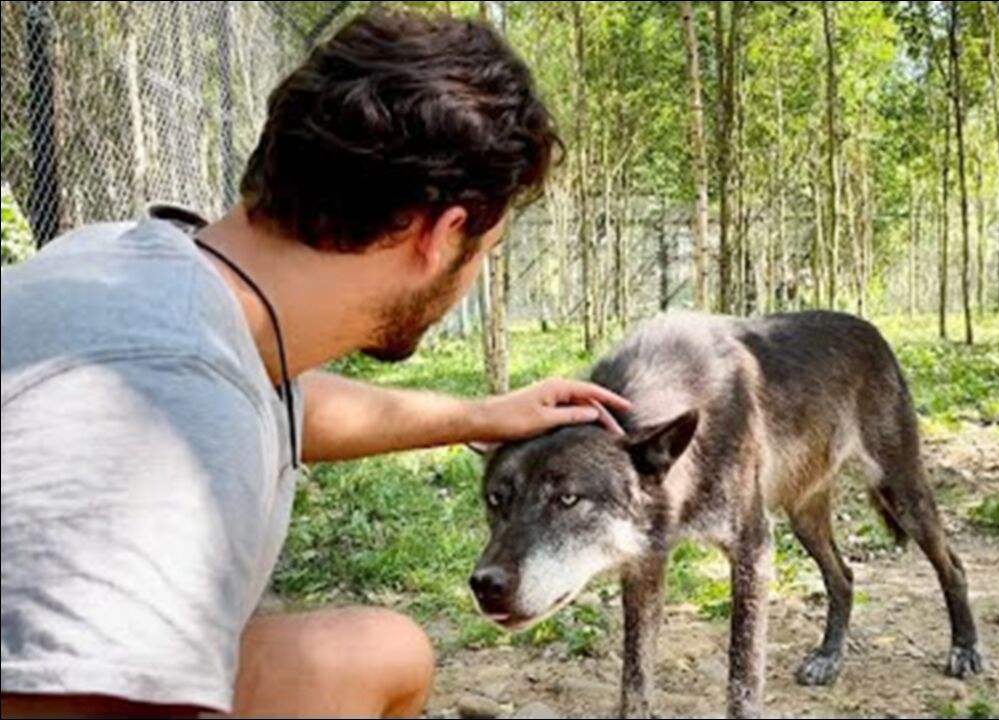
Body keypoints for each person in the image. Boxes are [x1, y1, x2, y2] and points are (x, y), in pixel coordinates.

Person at [0, 10, 628, 719]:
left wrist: (479, 415)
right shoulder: (174, 417)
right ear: (440, 232)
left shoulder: (139, 275)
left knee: (375, 652)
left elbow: (286, 399)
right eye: (485, 253)